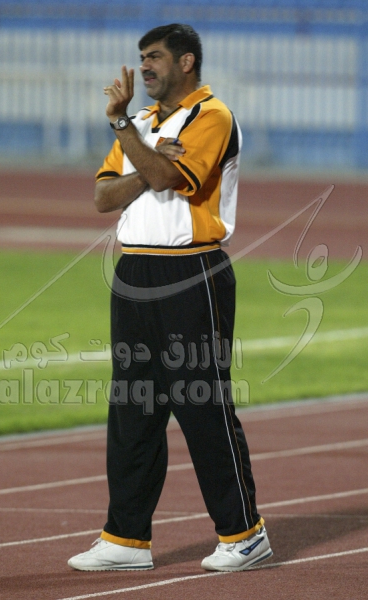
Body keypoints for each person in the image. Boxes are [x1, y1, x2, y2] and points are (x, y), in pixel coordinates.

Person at [68, 23, 272, 573]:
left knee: (202, 403)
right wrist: (143, 153)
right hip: (134, 271)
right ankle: (125, 538)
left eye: (154, 57)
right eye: (141, 57)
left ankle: (244, 533)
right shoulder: (141, 124)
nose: (144, 67)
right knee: (133, 408)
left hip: (191, 271)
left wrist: (132, 142)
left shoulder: (213, 116)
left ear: (186, 62)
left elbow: (169, 178)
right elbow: (103, 196)